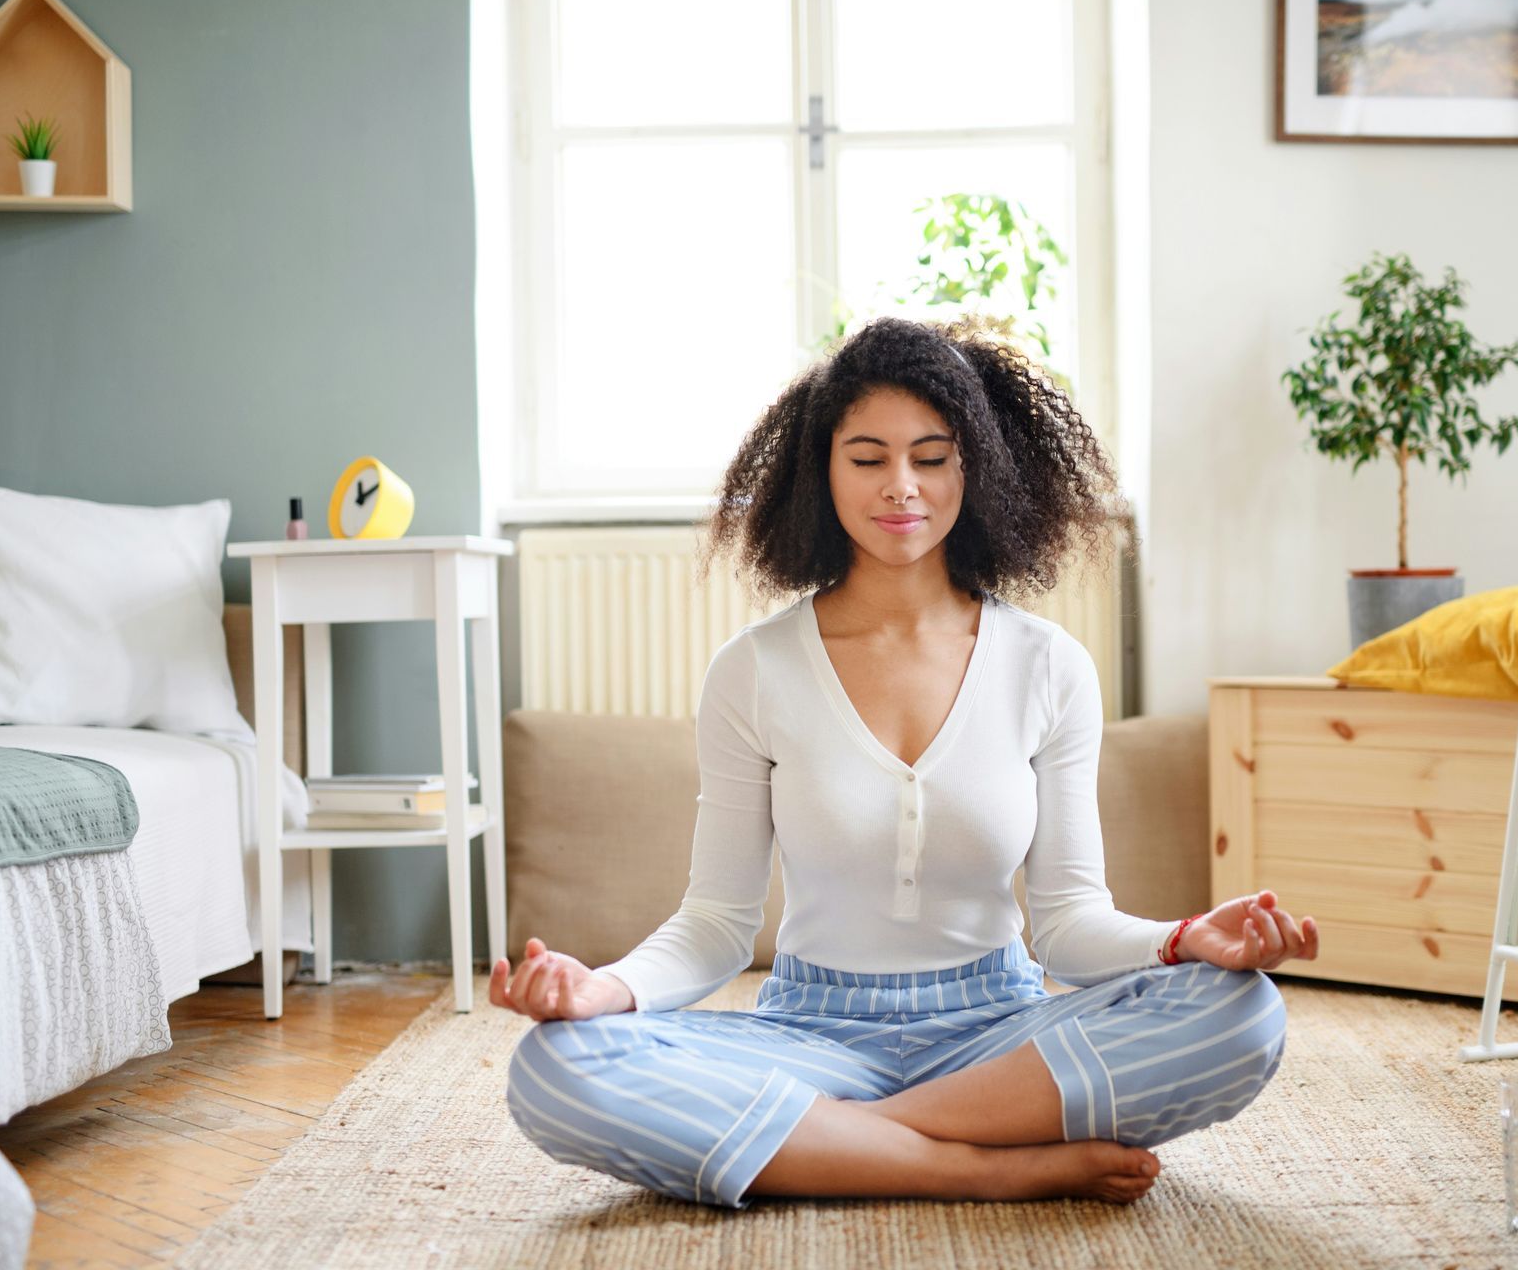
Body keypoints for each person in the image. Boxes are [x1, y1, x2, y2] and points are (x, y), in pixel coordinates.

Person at [493, 317, 1320, 1209]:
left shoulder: (1047, 664)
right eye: (868, 458)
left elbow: (1071, 927)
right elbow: (717, 925)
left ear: (979, 469)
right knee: (557, 1066)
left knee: (1242, 1012)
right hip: (809, 1034)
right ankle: (979, 1164)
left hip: (1000, 1037)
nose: (902, 487)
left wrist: (1181, 941)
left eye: (932, 457)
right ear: (822, 471)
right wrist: (601, 989)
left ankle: (831, 1141)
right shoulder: (754, 668)